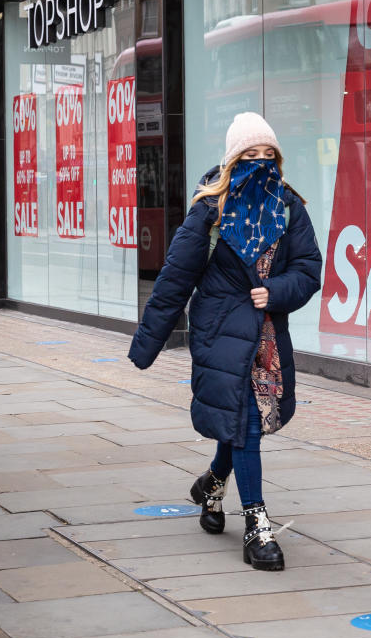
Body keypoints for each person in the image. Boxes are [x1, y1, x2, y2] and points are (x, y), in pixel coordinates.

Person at [128, 112, 322, 571]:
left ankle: (212, 483)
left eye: (267, 154)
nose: (260, 162)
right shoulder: (210, 208)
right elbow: (175, 279)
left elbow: (309, 270)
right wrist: (146, 345)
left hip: (267, 333)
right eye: (249, 155)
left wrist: (276, 291)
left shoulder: (290, 206)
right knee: (247, 423)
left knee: (241, 419)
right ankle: (257, 526)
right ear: (233, 159)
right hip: (219, 331)